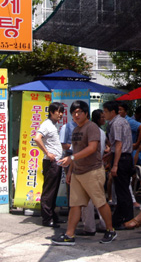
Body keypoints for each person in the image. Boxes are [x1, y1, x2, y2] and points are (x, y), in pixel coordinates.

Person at [52, 101, 116, 246]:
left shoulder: (91, 127)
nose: (76, 115)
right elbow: (76, 151)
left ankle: (110, 230)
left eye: (79, 112)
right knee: (75, 205)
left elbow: (92, 148)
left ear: (86, 113)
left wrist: (72, 158)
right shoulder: (75, 131)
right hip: (78, 173)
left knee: (100, 202)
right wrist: (70, 172)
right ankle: (69, 235)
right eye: (74, 112)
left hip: (92, 171)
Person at [34, 102, 65, 227]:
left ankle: (53, 215)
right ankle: (47, 219)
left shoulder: (54, 125)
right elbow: (37, 138)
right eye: (58, 112)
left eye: (62, 112)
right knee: (49, 191)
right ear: (52, 112)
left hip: (57, 161)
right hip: (51, 162)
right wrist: (47, 152)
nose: (61, 114)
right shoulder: (46, 124)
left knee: (54, 190)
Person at [104, 100, 134, 228]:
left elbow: (118, 144)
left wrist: (115, 164)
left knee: (122, 191)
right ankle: (124, 218)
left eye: (105, 111)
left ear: (112, 112)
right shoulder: (122, 121)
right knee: (123, 190)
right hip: (125, 158)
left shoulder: (116, 123)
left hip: (122, 159)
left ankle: (125, 219)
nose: (104, 114)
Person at [80, 109, 108, 236]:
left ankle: (89, 227)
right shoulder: (101, 132)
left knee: (88, 199)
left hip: (89, 168)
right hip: (98, 166)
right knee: (99, 197)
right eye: (102, 117)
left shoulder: (88, 131)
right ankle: (104, 224)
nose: (104, 119)